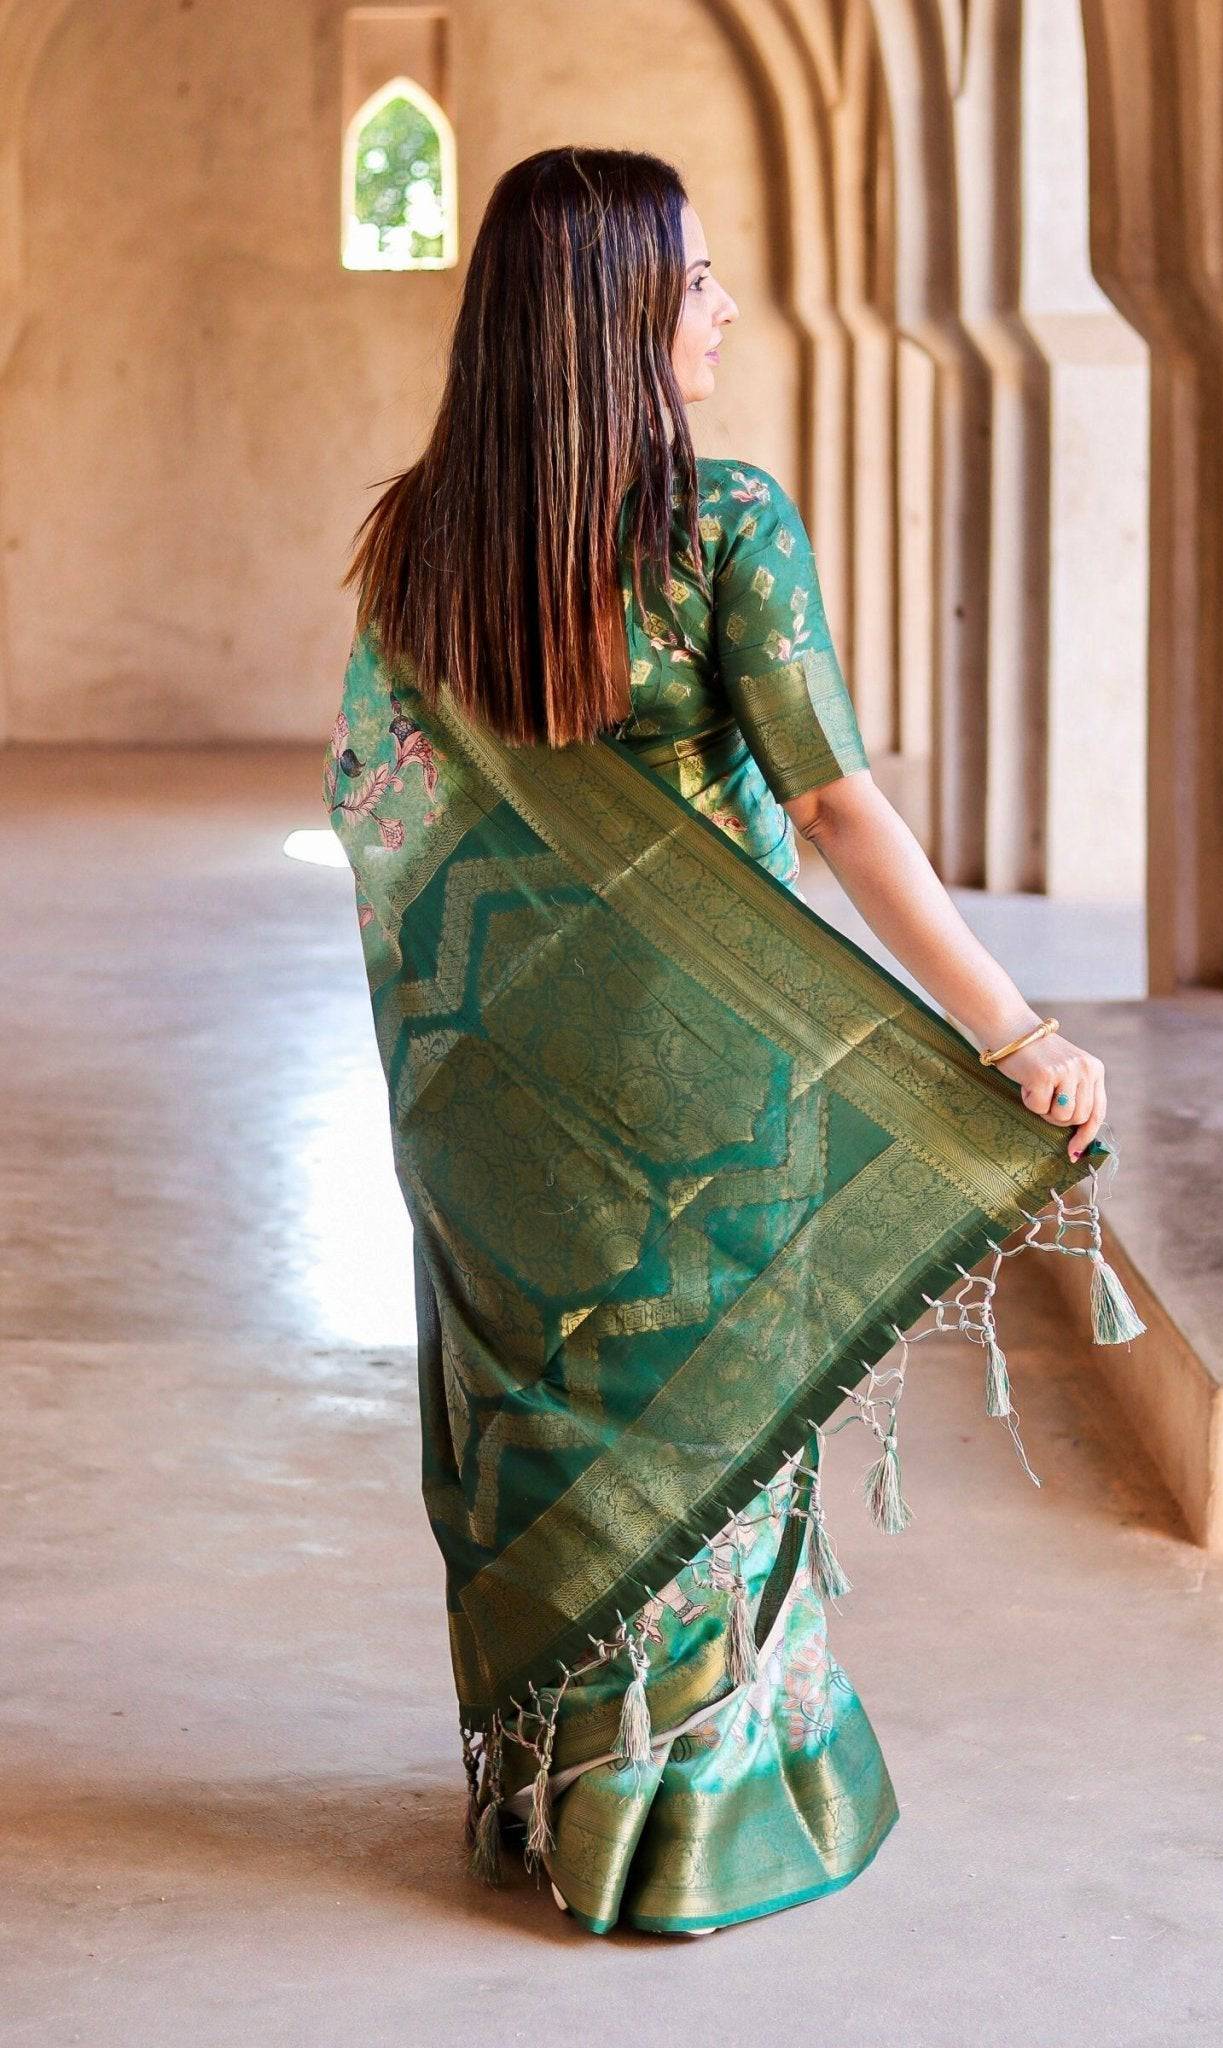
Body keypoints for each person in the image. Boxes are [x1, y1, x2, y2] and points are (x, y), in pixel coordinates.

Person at [325, 145, 1136, 1938]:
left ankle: (562, 1807)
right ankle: (687, 1824)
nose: (723, 305)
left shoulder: (416, 537)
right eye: (693, 278)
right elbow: (839, 808)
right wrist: (1012, 1036)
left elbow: (398, 834)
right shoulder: (720, 523)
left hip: (509, 1099)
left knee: (551, 1419)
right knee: (709, 1433)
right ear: (611, 310)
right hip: (712, 1077)